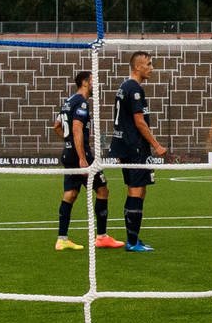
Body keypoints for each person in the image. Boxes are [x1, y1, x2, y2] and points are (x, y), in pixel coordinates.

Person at [55, 71, 121, 253]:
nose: (95, 85)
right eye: (93, 81)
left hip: (69, 153)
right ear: (84, 83)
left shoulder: (68, 102)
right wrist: (82, 158)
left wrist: (68, 143)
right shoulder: (81, 102)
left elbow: (57, 126)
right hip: (80, 155)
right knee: (102, 189)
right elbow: (77, 129)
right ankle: (101, 237)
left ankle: (62, 239)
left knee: (70, 193)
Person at [110, 52, 166, 253]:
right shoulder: (134, 89)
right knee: (136, 189)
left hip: (127, 145)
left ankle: (133, 238)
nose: (152, 68)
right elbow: (139, 122)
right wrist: (156, 145)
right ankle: (132, 242)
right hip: (135, 147)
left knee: (139, 189)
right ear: (138, 67)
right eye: (149, 64)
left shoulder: (125, 87)